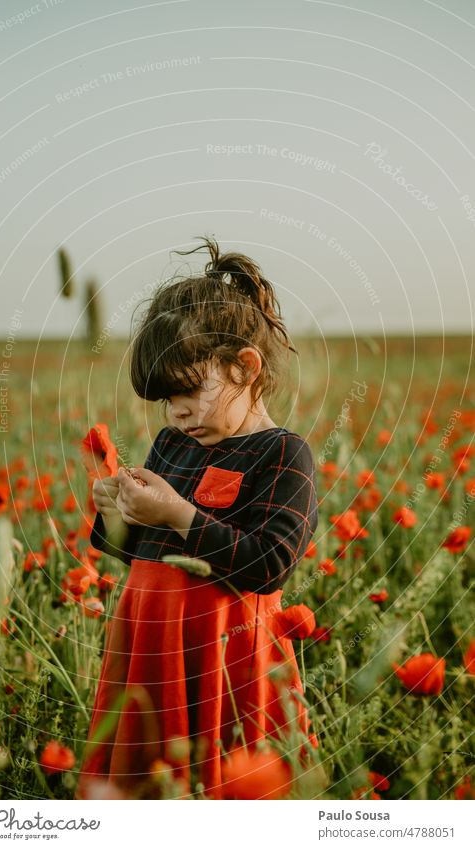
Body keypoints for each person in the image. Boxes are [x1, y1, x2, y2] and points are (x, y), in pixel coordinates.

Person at [76, 236, 319, 800]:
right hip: (151, 647)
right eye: (165, 400)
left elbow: (269, 564)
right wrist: (119, 514)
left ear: (245, 366)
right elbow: (140, 548)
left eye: (187, 391)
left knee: (224, 780)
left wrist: (179, 513)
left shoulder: (282, 454)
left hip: (226, 653)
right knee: (145, 776)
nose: (176, 412)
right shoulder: (172, 444)